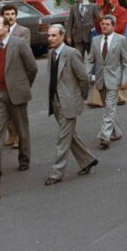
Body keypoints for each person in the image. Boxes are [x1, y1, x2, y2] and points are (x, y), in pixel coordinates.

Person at [0, 16, 37, 180]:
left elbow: (32, 67)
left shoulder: (19, 43)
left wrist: (23, 85)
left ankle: (24, 159)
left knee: (21, 129)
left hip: (16, 93)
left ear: (6, 27)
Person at [44, 25, 98, 185]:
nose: (50, 39)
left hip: (69, 102)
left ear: (62, 36)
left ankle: (56, 173)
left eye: (54, 36)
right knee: (70, 135)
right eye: (49, 36)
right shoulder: (51, 53)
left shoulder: (71, 53)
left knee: (62, 138)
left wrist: (80, 97)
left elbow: (83, 78)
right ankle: (88, 160)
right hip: (55, 101)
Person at [87, 15, 127, 150]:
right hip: (100, 80)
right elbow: (90, 60)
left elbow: (126, 63)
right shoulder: (95, 40)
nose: (104, 26)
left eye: (107, 24)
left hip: (114, 79)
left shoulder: (121, 39)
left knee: (110, 107)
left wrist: (124, 80)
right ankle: (116, 131)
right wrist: (86, 75)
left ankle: (105, 136)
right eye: (102, 24)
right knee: (108, 108)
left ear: (113, 26)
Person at [0, 4, 31, 148]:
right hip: (2, 77)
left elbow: (25, 55)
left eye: (12, 14)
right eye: (7, 14)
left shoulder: (23, 31)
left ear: (16, 16)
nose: (10, 17)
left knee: (17, 110)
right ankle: (11, 134)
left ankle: (19, 137)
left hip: (17, 75)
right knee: (5, 110)